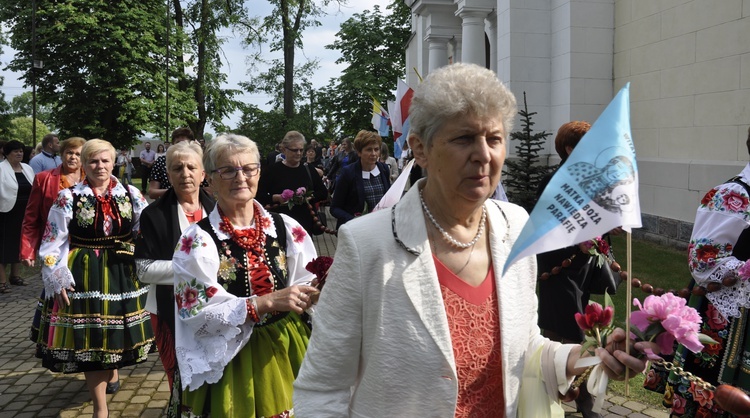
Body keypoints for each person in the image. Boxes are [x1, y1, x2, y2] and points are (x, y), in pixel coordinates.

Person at [294, 63, 653, 417]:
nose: (484, 154)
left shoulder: (514, 225)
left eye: (494, 138)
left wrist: (589, 357)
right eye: (464, 138)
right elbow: (322, 390)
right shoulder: (365, 243)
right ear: (420, 149)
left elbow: (525, 347)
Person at [172, 133, 318, 417]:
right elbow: (195, 311)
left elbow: (304, 277)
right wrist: (265, 303)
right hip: (231, 358)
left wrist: (315, 292)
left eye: (249, 168)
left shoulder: (285, 226)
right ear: (210, 180)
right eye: (228, 170)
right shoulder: (197, 240)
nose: (241, 177)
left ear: (259, 173)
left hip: (287, 345)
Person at [33, 139, 153, 418]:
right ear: (84, 164)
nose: (100, 166)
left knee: (113, 335)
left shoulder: (131, 193)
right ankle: (101, 409)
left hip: (122, 272)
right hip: (85, 273)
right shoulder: (68, 197)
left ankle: (111, 373)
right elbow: (52, 241)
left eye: (105, 161)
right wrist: (57, 275)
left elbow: (145, 229)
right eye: (93, 161)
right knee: (91, 336)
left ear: (115, 162)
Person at [644, 127, 750, 418]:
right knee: (710, 399)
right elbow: (703, 260)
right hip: (728, 315)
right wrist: (742, 269)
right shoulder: (733, 194)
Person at [135, 141, 215, 391]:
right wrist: (193, 269)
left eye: (192, 167)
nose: (185, 174)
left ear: (203, 174)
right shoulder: (153, 214)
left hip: (216, 308)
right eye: (177, 168)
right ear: (168, 175)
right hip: (169, 308)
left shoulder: (218, 210)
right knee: (180, 377)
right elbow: (143, 269)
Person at [537, 121, 603, 418]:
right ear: (569, 148)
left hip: (586, 269)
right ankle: (550, 393)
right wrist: (576, 244)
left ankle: (585, 400)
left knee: (589, 330)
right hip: (558, 269)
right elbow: (544, 229)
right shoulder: (552, 183)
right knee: (563, 330)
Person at [21, 137, 86, 266]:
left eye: (78, 154)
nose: (73, 157)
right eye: (69, 153)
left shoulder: (92, 179)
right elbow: (31, 217)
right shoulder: (43, 178)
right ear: (61, 155)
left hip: (85, 244)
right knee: (56, 284)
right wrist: (27, 250)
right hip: (54, 244)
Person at [257, 131, 328, 236]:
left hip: (304, 225)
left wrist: (309, 197)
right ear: (284, 150)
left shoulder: (308, 169)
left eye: (301, 150)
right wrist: (275, 198)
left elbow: (323, 192)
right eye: (294, 150)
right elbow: (258, 196)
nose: (299, 153)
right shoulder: (272, 171)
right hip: (280, 225)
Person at [330, 130, 391, 229]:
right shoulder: (348, 172)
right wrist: (354, 220)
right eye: (368, 150)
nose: (374, 153)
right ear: (359, 152)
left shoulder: (384, 169)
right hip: (357, 230)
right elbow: (334, 208)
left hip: (380, 228)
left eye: (376, 149)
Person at [0, 140, 35, 293]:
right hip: (5, 212)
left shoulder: (27, 168)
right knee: (3, 247)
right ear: (6, 154)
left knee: (19, 244)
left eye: (21, 150)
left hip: (24, 212)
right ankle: (1, 281)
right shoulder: (1, 168)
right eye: (15, 151)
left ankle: (15, 276)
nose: (19, 153)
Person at [149, 127, 199, 200]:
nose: (182, 146)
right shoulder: (161, 161)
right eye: (178, 143)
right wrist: (176, 192)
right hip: (167, 205)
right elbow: (152, 192)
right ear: (173, 144)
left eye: (185, 143)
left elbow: (210, 190)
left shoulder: (199, 162)